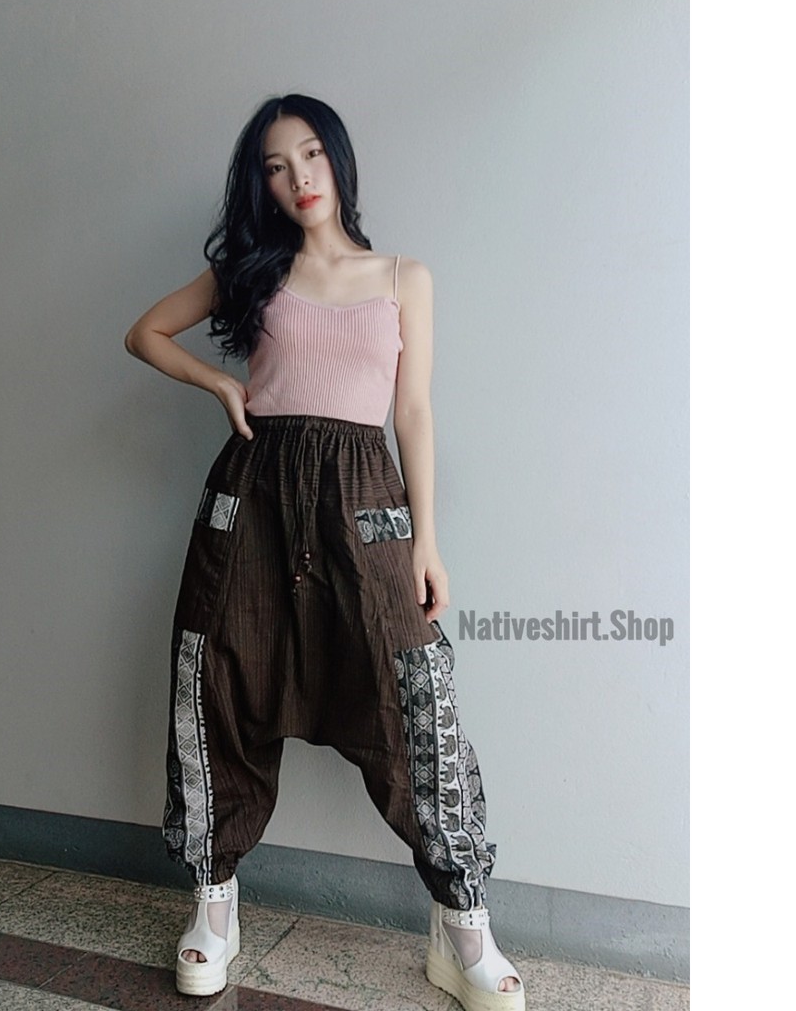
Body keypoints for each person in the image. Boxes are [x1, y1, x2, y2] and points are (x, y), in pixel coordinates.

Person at [124, 93, 524, 1011]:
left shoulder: (403, 277)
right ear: (261, 184)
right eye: (275, 166)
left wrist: (428, 542)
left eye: (309, 154)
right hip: (251, 500)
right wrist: (221, 384)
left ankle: (461, 925)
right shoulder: (252, 272)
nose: (298, 177)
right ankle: (214, 902)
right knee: (216, 677)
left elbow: (412, 411)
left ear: (337, 159)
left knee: (412, 695)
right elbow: (143, 333)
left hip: (366, 505)